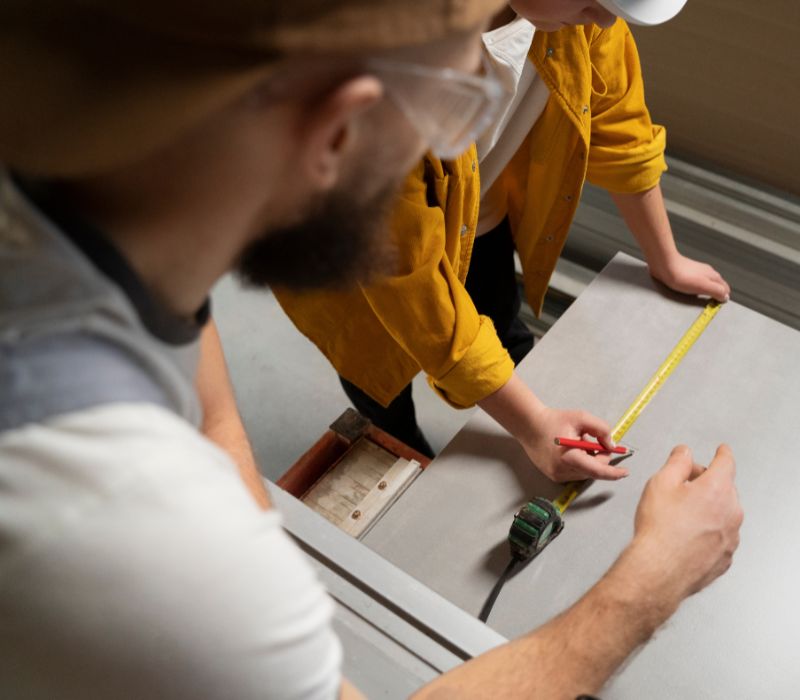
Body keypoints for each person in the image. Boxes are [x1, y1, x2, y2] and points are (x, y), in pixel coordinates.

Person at [0, 2, 742, 699]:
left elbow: (203, 376)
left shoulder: (97, 217)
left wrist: (258, 563)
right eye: (457, 107)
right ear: (338, 133)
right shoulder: (115, 514)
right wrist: (651, 581)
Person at [273, 0, 732, 486]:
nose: (603, 19)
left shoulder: (575, 15)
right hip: (351, 257)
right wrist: (533, 426)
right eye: (595, 0)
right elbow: (406, 282)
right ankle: (400, 441)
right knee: (379, 368)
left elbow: (621, 128)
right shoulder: (378, 62)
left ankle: (516, 402)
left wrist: (666, 258)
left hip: (474, 213)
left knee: (497, 311)